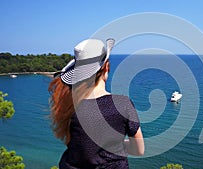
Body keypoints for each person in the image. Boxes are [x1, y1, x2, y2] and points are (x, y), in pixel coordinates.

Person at [48, 38, 144, 169]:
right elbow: (138, 149)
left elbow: (83, 148)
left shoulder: (70, 105)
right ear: (106, 67)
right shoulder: (122, 104)